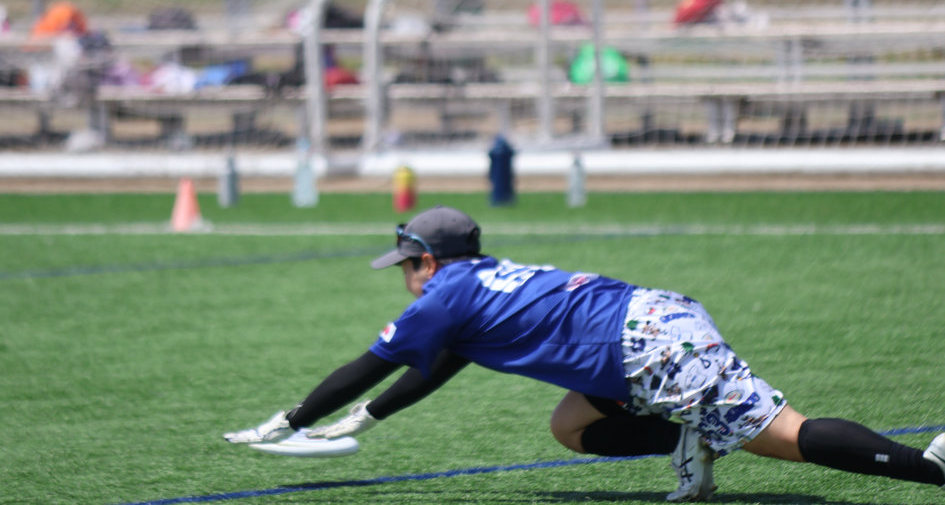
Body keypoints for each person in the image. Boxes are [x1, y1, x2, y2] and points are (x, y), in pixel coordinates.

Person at [225, 205, 945, 502]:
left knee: (784, 436)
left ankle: (931, 466)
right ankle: (689, 438)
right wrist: (369, 418)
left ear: (430, 261)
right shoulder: (479, 283)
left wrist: (290, 421)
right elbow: (438, 366)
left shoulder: (443, 297)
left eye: (406, 263)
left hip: (645, 346)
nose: (404, 275)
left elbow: (367, 365)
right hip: (646, 327)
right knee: (571, 426)